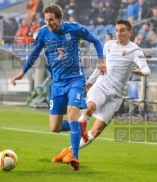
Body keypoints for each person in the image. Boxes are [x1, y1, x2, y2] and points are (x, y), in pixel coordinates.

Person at [11, 4, 105, 171]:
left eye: (52, 20)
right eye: (46, 20)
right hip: (57, 83)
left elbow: (96, 40)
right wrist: (22, 73)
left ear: (60, 19)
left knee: (72, 113)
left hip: (75, 80)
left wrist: (101, 61)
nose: (49, 23)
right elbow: (34, 54)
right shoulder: (43, 33)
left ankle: (75, 156)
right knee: (55, 127)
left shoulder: (75, 29)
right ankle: (79, 126)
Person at [52, 19, 151, 163]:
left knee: (96, 131)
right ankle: (74, 144)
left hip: (117, 95)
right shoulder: (108, 45)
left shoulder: (135, 50)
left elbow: (146, 68)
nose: (119, 33)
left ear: (130, 32)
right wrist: (90, 82)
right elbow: (101, 66)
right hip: (102, 85)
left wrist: (143, 73)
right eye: (117, 30)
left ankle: (68, 150)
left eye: (122, 30)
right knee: (89, 108)